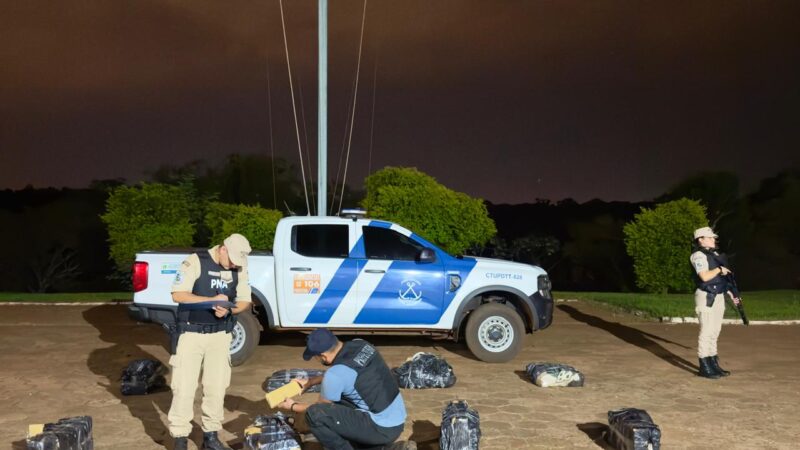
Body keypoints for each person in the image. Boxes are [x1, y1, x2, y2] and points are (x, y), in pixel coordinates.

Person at [167, 233, 252, 450]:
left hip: (220, 336)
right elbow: (178, 294)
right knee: (184, 388)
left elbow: (244, 301)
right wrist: (210, 301)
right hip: (191, 334)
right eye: (231, 260)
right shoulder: (196, 261)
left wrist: (229, 308)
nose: (234, 265)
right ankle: (180, 438)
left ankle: (211, 437)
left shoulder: (239, 266)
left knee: (216, 387)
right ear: (222, 249)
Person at [276, 329, 415, 450]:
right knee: (340, 399)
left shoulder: (335, 374)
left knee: (315, 415)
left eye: (315, 357)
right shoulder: (361, 344)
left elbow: (322, 409)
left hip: (383, 428)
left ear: (323, 356)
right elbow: (346, 375)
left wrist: (292, 406)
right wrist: (310, 382)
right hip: (397, 417)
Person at [690, 226, 738, 379]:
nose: (713, 240)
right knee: (707, 331)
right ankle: (704, 366)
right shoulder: (698, 255)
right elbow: (704, 276)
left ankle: (713, 363)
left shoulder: (714, 254)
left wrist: (731, 292)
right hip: (706, 296)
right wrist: (719, 270)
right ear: (700, 240)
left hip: (718, 295)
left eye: (713, 237)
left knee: (715, 331)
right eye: (709, 237)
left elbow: (721, 279)